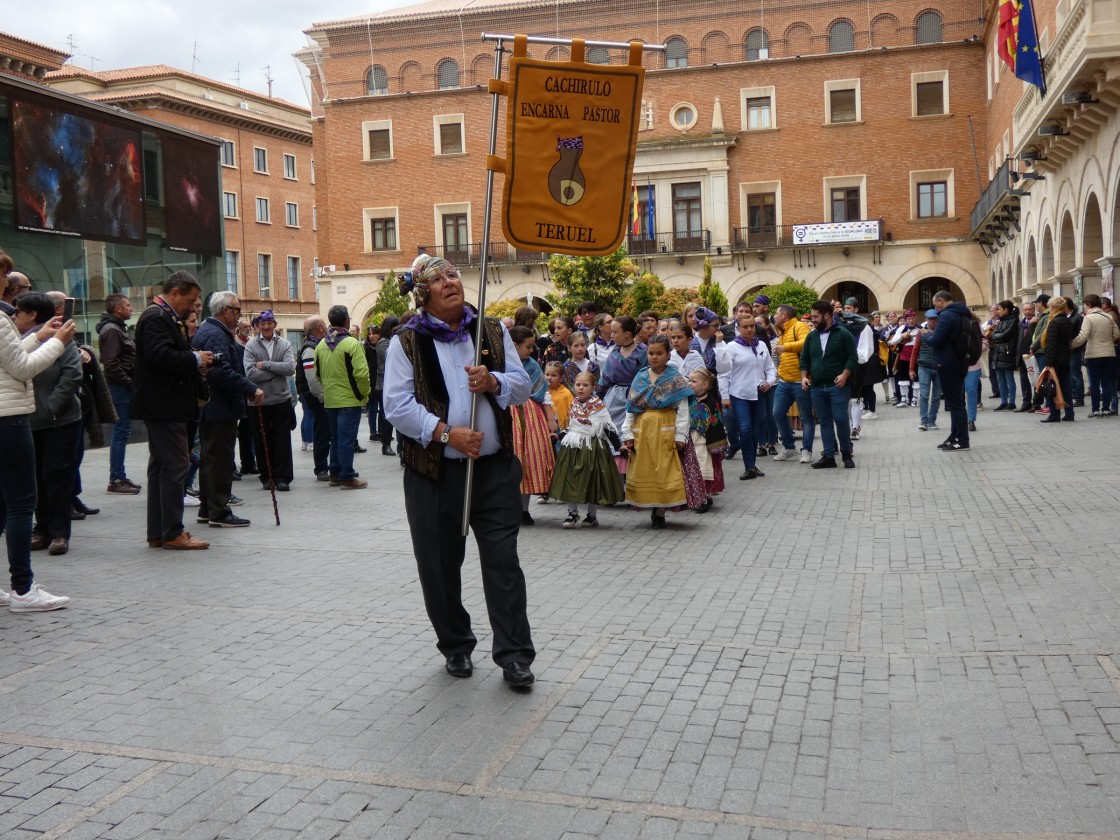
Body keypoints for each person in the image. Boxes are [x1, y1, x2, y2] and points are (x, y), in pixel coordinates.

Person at [383, 253, 536, 689]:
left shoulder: (490, 330)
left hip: (493, 469)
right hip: (434, 473)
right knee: (439, 564)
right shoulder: (405, 342)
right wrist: (446, 434)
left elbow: (523, 385)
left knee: (503, 562)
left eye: (453, 274)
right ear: (422, 293)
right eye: (438, 279)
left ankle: (514, 656)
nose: (451, 282)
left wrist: (494, 383)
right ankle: (455, 644)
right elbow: (396, 405)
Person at [0, 291, 75, 609]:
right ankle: (23, 588)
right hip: (9, 419)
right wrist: (57, 341)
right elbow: (21, 369)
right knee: (20, 505)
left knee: (2, 506)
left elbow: (8, 360)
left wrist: (40, 336)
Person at [131, 272, 213, 550]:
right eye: (189, 300)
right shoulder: (156, 317)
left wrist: (194, 361)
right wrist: (194, 358)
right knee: (177, 464)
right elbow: (159, 356)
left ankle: (160, 531)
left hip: (162, 404)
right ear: (175, 292)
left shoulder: (160, 316)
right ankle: (172, 532)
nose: (191, 307)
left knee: (161, 467)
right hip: (164, 405)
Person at [12, 294, 80, 557]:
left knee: (56, 474)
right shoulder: (16, 341)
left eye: (18, 311)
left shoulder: (61, 338)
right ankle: (41, 528)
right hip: (27, 419)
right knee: (36, 476)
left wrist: (51, 406)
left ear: (32, 315)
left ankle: (59, 533)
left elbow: (72, 374)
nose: (14, 315)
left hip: (59, 420)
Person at [192, 292, 264, 528]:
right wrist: (250, 388)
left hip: (214, 406)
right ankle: (219, 511)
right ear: (225, 312)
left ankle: (207, 507)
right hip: (218, 406)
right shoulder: (215, 334)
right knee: (220, 459)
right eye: (236, 310)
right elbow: (221, 372)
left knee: (210, 458)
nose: (239, 314)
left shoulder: (211, 331)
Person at [621, 335, 702, 528]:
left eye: (659, 353)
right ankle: (650, 504)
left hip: (665, 429)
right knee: (646, 470)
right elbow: (631, 407)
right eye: (651, 353)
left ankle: (661, 511)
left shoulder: (674, 378)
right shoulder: (640, 377)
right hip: (643, 430)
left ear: (668, 355)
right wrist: (628, 433)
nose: (654, 357)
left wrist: (680, 434)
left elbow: (682, 410)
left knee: (665, 469)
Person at [549, 370, 624, 528]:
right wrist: (561, 435)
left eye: (585, 385)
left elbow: (607, 427)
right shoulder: (574, 403)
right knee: (570, 478)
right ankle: (572, 513)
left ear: (593, 387)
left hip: (592, 447)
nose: (581, 388)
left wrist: (618, 445)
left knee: (591, 480)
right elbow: (571, 426)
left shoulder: (598, 406)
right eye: (578, 384)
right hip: (573, 446)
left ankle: (592, 515)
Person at [314, 306, 370, 488]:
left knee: (335, 438)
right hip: (350, 399)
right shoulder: (352, 344)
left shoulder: (321, 345)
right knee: (346, 439)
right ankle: (347, 476)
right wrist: (364, 392)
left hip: (331, 399)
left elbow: (318, 374)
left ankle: (334, 473)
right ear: (346, 320)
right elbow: (361, 373)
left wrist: (328, 389)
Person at [508, 326, 558, 524]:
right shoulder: (500, 364)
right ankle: (508, 509)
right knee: (510, 461)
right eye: (528, 346)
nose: (531, 350)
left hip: (530, 416)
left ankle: (524, 510)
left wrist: (550, 419)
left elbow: (543, 393)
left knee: (528, 462)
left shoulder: (533, 366)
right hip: (508, 414)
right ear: (514, 346)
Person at [799, 300, 857, 468]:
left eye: (816, 317)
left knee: (840, 419)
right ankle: (829, 456)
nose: (813, 320)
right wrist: (804, 376)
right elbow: (804, 358)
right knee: (824, 421)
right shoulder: (811, 336)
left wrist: (845, 375)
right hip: (817, 386)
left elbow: (852, 358)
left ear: (826, 315)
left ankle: (846, 453)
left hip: (838, 386)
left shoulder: (843, 333)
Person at [243, 310, 295, 490]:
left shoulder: (285, 344)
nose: (266, 326)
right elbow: (249, 374)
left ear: (274, 324)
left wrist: (265, 365)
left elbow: (289, 368)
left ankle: (283, 478)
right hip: (259, 401)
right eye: (263, 323)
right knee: (261, 439)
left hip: (281, 399)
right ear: (258, 325)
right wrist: (275, 372)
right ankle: (267, 477)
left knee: (282, 439)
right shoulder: (250, 345)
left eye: (269, 323)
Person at [723, 315, 777, 480]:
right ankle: (748, 465)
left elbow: (770, 367)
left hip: (759, 393)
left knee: (754, 430)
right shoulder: (731, 347)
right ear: (738, 328)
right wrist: (725, 396)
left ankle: (752, 466)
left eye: (752, 326)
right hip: (739, 393)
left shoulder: (761, 345)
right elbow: (724, 374)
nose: (749, 329)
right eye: (745, 326)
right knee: (745, 429)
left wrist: (769, 381)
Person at [97, 293, 141, 494]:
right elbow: (111, 363)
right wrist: (129, 383)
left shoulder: (117, 329)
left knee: (123, 431)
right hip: (119, 388)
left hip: (123, 386)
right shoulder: (112, 330)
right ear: (118, 309)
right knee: (121, 432)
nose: (131, 308)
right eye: (128, 305)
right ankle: (115, 479)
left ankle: (119, 476)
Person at [597, 316, 647, 475]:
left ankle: (635, 475)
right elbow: (605, 378)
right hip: (614, 399)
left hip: (637, 398)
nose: (611, 335)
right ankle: (616, 476)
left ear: (627, 334)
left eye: (615, 332)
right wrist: (595, 399)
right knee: (613, 434)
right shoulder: (614, 352)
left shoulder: (643, 351)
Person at [924, 290, 972, 451]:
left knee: (955, 404)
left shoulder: (946, 315)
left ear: (940, 300)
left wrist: (926, 336)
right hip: (959, 362)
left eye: (934, 303)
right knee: (956, 402)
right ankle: (954, 436)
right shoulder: (962, 313)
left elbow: (937, 341)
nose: (934, 307)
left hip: (947, 363)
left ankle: (962, 440)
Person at [770, 304, 814, 464]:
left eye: (776, 314)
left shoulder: (799, 326)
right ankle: (789, 448)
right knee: (777, 413)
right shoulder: (783, 330)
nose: (774, 316)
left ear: (784, 315)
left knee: (806, 417)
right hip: (784, 381)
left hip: (800, 381)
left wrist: (784, 347)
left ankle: (806, 450)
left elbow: (806, 343)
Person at [1071, 294, 1120, 417]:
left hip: (1094, 354)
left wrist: (1071, 345)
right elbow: (1117, 334)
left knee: (1094, 383)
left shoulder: (1089, 318)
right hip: (1109, 353)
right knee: (1106, 382)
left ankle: (1095, 409)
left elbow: (1083, 336)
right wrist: (1108, 341)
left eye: (1085, 305)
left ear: (1089, 305)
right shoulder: (1108, 317)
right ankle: (1106, 408)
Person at [295, 316, 331, 480]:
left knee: (323, 431)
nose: (326, 326)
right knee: (322, 432)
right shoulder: (310, 348)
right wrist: (323, 398)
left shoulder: (316, 345)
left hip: (317, 397)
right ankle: (321, 468)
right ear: (318, 328)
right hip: (316, 398)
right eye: (324, 324)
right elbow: (312, 379)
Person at [687, 367, 727, 512]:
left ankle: (704, 497)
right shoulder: (688, 400)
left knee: (703, 468)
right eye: (689, 381)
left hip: (704, 442)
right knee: (694, 468)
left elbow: (716, 423)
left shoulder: (711, 402)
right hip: (691, 440)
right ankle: (700, 496)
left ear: (705, 385)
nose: (690, 383)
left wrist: (715, 443)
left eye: (694, 381)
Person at [1038, 296, 1076, 423]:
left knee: (1052, 387)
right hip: (1065, 357)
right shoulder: (1067, 320)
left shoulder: (1054, 322)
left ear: (1054, 308)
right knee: (1065, 385)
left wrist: (1048, 362)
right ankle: (1069, 413)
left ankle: (1054, 414)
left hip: (1055, 359)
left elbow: (1052, 343)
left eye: (1050, 307)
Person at [910, 309, 942, 432]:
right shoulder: (920, 334)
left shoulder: (941, 332)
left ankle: (932, 420)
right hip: (924, 367)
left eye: (934, 319)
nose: (932, 321)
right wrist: (911, 368)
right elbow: (915, 351)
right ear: (926, 319)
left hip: (939, 367)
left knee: (936, 396)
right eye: (930, 319)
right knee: (924, 395)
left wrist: (929, 333)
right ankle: (924, 421)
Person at [988, 300, 1020, 411]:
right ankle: (1003, 401)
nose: (998, 311)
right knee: (1000, 378)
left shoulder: (1014, 320)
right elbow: (994, 334)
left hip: (1007, 352)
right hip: (998, 351)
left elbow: (1005, 335)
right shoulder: (1001, 320)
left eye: (999, 309)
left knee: (1009, 377)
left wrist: (996, 336)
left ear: (1006, 310)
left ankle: (1012, 402)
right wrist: (996, 336)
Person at [376, 316, 399, 455]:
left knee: (388, 414)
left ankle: (387, 443)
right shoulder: (384, 343)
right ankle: (386, 444)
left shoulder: (387, 341)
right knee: (386, 415)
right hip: (384, 382)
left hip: (388, 381)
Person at [1015, 302, 1037, 412]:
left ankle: (1037, 403)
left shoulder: (1037, 322)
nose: (1028, 312)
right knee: (1024, 380)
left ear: (1034, 310)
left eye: (1030, 309)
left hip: (1032, 355)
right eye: (1026, 310)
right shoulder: (1020, 324)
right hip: (1022, 356)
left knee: (1035, 379)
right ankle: (1026, 402)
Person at [363, 324, 382, 443]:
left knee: (384, 410)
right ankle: (373, 433)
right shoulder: (365, 348)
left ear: (379, 335)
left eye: (374, 333)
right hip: (371, 383)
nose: (371, 336)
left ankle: (382, 431)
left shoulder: (382, 347)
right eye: (369, 334)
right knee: (373, 409)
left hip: (381, 382)